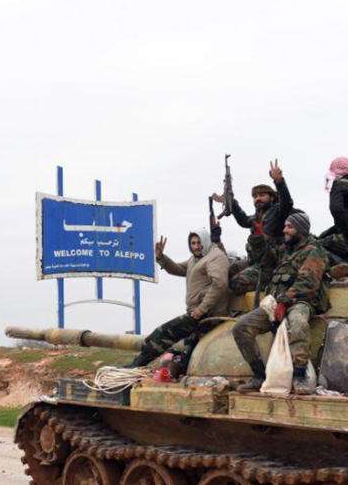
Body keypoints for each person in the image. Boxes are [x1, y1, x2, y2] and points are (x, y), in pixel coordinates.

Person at [233, 212, 329, 394]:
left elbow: (307, 284)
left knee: (298, 323)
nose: (285, 230)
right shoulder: (285, 250)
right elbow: (263, 261)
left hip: (301, 302)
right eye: (285, 226)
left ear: (300, 230)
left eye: (289, 227)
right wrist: (256, 237)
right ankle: (259, 375)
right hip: (276, 303)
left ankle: (300, 375)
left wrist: (284, 302)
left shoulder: (313, 251)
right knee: (241, 327)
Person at [127, 229, 229, 367]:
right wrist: (161, 257)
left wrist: (202, 309)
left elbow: (219, 284)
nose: (196, 246)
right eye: (193, 243)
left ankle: (135, 366)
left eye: (199, 243)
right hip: (196, 312)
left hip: (209, 314)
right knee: (187, 347)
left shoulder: (215, 257)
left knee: (162, 334)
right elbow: (178, 269)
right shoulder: (196, 258)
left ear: (206, 241)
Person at [213, 159, 296, 294]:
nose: (257, 199)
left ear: (272, 197)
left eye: (262, 195)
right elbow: (244, 221)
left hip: (272, 264)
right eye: (255, 196)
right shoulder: (256, 217)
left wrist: (279, 182)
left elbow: (287, 203)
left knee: (236, 282)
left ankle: (271, 286)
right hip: (256, 261)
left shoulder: (277, 212)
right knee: (227, 271)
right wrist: (232, 203)